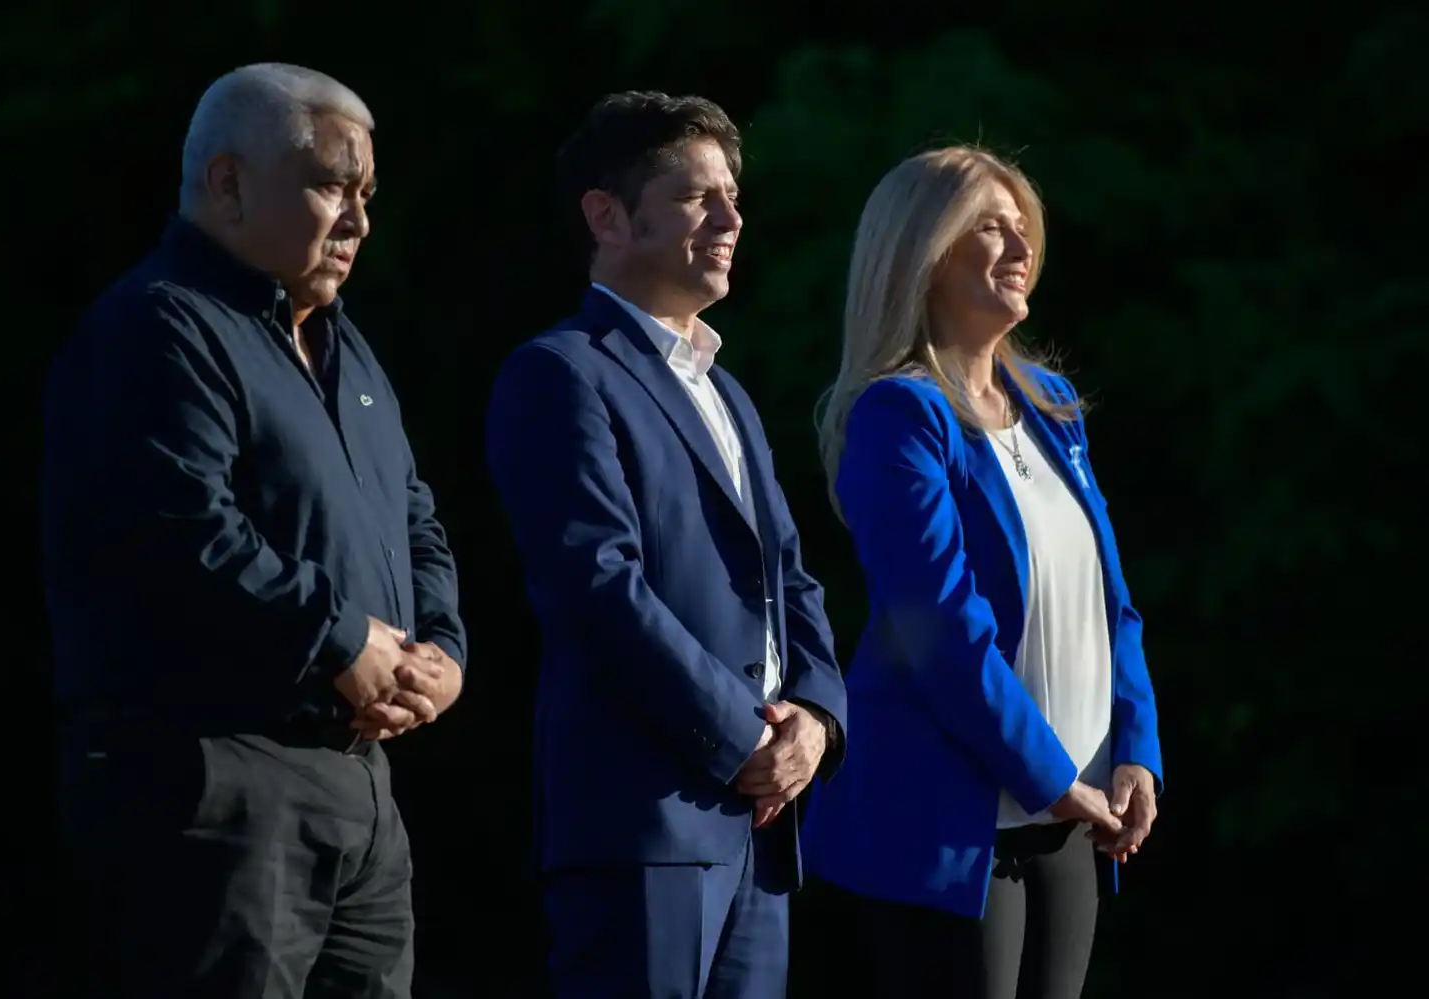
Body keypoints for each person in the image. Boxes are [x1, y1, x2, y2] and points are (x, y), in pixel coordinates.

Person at [42, 63, 466, 999]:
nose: (358, 221)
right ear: (227, 184)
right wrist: (342, 636)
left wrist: (442, 648)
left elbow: (414, 516)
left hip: (358, 782)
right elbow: (179, 530)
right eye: (331, 186)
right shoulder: (157, 328)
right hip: (217, 775)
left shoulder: (349, 350)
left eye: (366, 194)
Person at [484, 91, 849, 998]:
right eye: (696, 197)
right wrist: (744, 737)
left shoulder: (729, 393)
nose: (730, 218)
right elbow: (597, 585)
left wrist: (816, 719)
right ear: (607, 216)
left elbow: (791, 579)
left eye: (733, 196)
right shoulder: (560, 373)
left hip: (760, 829)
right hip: (643, 825)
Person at [798, 147, 1164, 999]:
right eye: (990, 228)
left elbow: (1113, 604)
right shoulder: (900, 414)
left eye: (1022, 228)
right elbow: (945, 631)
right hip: (953, 831)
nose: (1021, 247)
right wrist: (1054, 779)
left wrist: (1136, 752)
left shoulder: (1050, 405)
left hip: (1072, 818)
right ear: (923, 254)